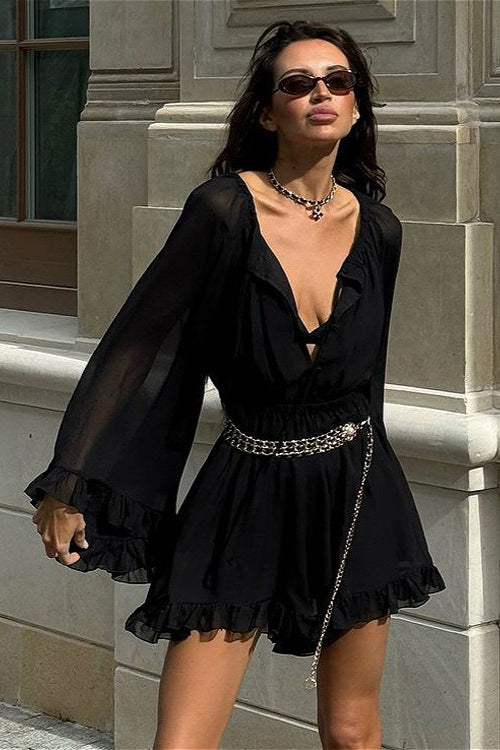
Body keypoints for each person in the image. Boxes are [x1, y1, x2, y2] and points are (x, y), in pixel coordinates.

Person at [26, 18, 446, 750]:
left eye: (337, 81)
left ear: (356, 107)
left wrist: (379, 489)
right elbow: (138, 345)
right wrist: (71, 482)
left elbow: (369, 381)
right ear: (267, 112)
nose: (321, 93)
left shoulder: (379, 228)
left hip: (354, 486)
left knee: (352, 731)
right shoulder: (223, 210)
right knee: (182, 741)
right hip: (246, 485)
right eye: (298, 83)